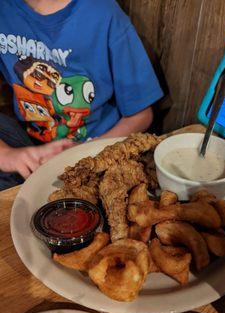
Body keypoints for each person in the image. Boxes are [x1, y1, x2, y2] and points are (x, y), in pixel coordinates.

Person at [0, 0, 163, 190]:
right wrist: (7, 155)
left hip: (96, 151)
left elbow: (141, 115)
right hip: (30, 148)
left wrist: (85, 153)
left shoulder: (103, 14)